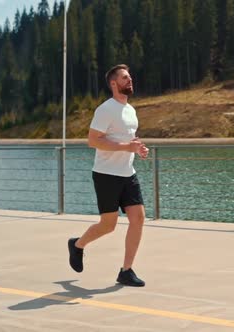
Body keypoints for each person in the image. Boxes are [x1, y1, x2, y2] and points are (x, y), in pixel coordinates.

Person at [68, 64, 149, 287]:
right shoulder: (105, 109)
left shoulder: (130, 110)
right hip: (106, 175)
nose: (130, 80)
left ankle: (126, 270)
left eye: (130, 76)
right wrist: (126, 147)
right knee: (108, 225)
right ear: (114, 84)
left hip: (127, 173)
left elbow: (129, 138)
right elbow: (93, 141)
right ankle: (77, 245)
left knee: (139, 217)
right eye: (125, 78)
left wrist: (138, 148)